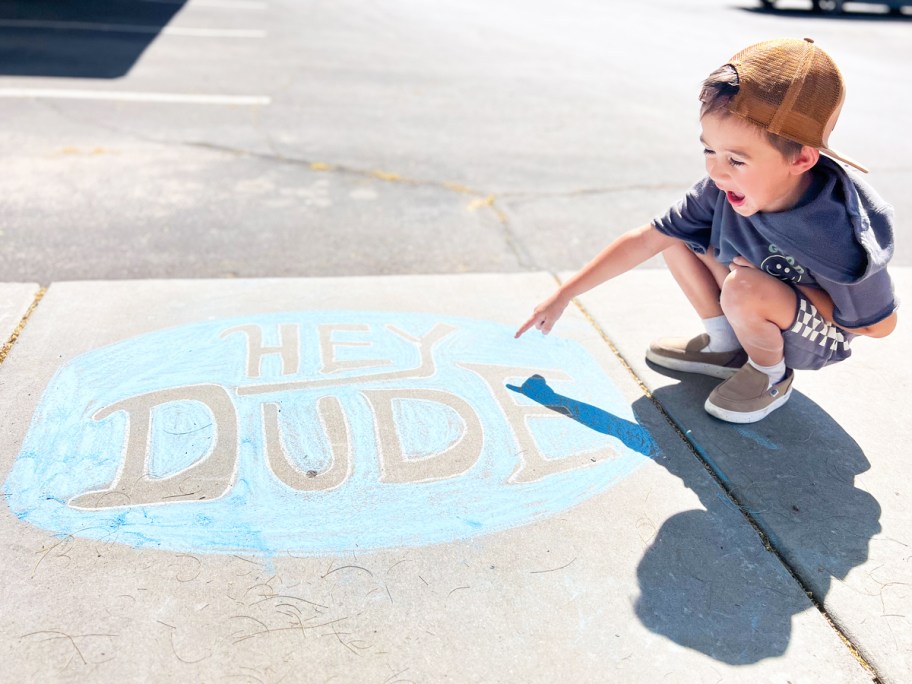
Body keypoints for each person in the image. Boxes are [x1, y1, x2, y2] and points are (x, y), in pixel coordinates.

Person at [515, 37, 898, 424]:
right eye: (709, 151)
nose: (716, 171)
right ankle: (726, 346)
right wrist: (564, 295)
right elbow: (647, 239)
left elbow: (879, 326)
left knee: (744, 287)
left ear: (801, 158)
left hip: (818, 338)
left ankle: (770, 374)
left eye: (736, 159)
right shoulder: (723, 188)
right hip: (754, 297)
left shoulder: (838, 233)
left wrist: (778, 289)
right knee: (677, 236)